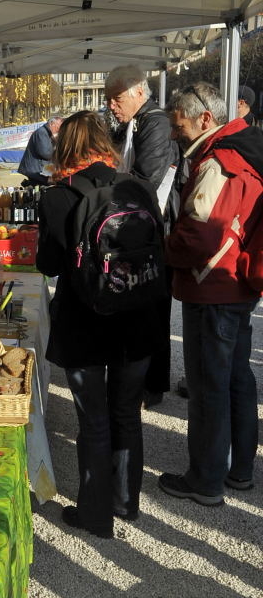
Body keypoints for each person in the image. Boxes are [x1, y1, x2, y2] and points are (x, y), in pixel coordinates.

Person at [36, 111, 164, 538]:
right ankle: (126, 502)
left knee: (93, 420)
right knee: (126, 412)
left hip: (84, 322)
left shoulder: (57, 196)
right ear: (104, 144)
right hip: (138, 316)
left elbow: (48, 265)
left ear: (65, 147)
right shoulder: (139, 188)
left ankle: (94, 514)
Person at [158, 82, 262, 506]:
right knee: (236, 378)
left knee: (208, 387)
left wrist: (163, 249)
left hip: (213, 286)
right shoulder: (245, 147)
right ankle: (239, 470)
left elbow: (200, 236)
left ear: (205, 119)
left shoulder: (220, 160)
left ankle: (205, 480)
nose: (174, 133)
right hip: (236, 282)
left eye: (178, 125)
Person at [104, 64, 180, 407]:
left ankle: (153, 383)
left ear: (138, 92)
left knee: (153, 306)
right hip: (140, 223)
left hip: (154, 227)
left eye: (116, 98)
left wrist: (107, 184)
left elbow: (146, 176)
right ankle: (140, 378)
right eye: (108, 99)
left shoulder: (156, 123)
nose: (111, 105)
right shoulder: (135, 121)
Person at [18, 108, 63, 185]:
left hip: (40, 168)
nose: (58, 131)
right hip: (35, 169)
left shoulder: (47, 133)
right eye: (58, 128)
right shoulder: (42, 133)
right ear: (52, 124)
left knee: (49, 184)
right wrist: (56, 147)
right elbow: (46, 154)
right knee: (40, 186)